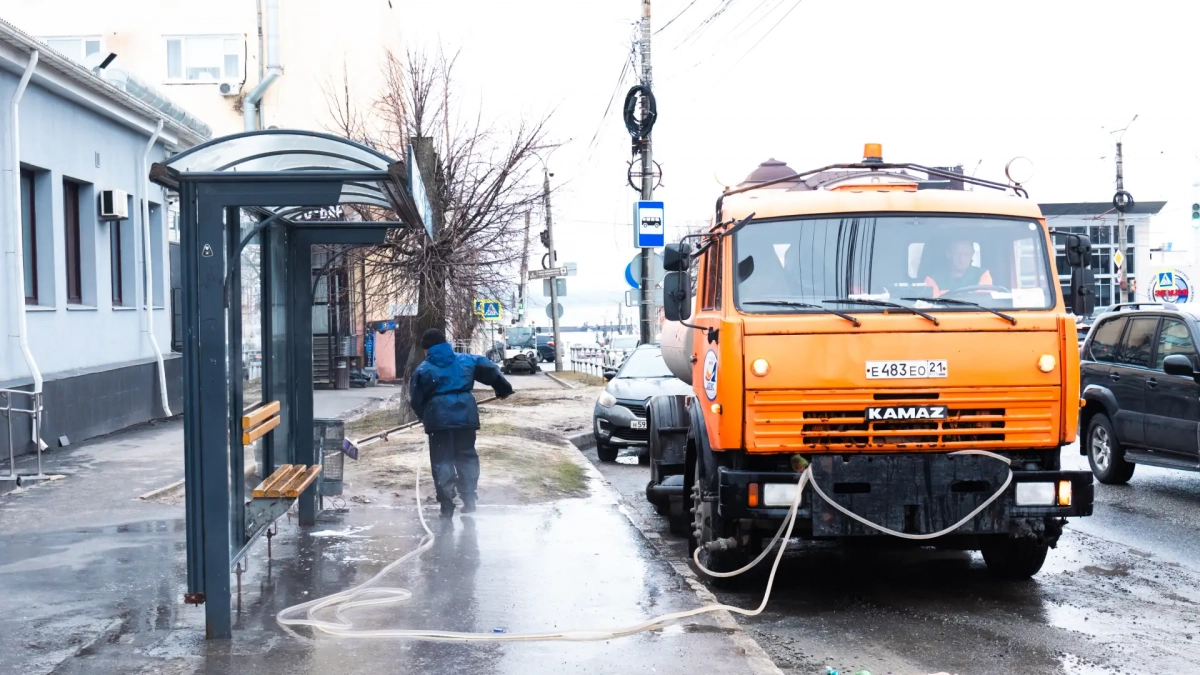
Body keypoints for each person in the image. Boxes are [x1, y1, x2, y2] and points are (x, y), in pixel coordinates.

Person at [409, 328, 513, 518]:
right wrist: (503, 388)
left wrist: (425, 416)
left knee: (442, 461)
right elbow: (490, 369)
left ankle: (447, 505)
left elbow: (416, 400)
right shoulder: (466, 360)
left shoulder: (423, 370)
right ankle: (469, 499)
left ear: (427, 349)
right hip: (466, 416)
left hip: (439, 420)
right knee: (466, 457)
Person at [924, 238, 992, 296]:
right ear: (948, 254)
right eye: (957, 254)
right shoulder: (934, 278)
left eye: (966, 254)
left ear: (972, 254)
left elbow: (983, 303)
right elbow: (933, 306)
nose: (961, 259)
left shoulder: (983, 275)